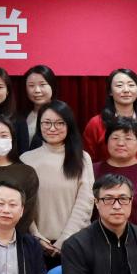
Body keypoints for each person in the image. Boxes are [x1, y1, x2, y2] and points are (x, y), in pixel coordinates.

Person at [20, 100, 94, 262]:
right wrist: (36, 236)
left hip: (74, 244)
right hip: (34, 245)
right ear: (39, 125)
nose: (52, 128)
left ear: (69, 125)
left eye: (59, 123)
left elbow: (85, 203)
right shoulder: (25, 159)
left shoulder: (82, 158)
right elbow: (21, 203)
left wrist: (65, 239)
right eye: (47, 123)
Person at [83, 68, 137, 166]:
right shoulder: (96, 123)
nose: (126, 90)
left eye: (131, 85)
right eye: (119, 85)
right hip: (106, 175)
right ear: (110, 91)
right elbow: (88, 161)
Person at [18, 65, 59, 153]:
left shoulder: (62, 115)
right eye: (31, 85)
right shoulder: (20, 116)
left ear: (52, 85)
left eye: (42, 85)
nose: (37, 90)